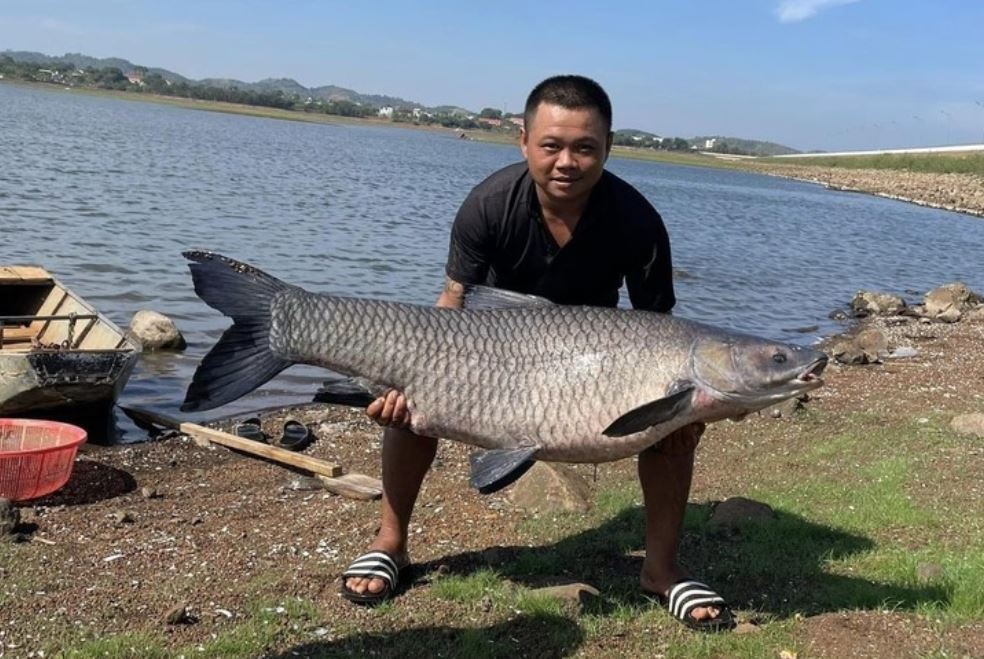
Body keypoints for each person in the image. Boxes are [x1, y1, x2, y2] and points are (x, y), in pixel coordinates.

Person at [339, 74, 736, 632]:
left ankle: (662, 572)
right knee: (411, 403)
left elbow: (659, 329)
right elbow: (451, 303)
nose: (566, 161)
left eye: (585, 147)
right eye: (551, 145)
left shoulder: (638, 220)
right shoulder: (488, 204)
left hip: (587, 354)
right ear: (523, 140)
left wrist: (685, 404)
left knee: (674, 422)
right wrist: (405, 378)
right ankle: (391, 542)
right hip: (492, 343)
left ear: (608, 148)